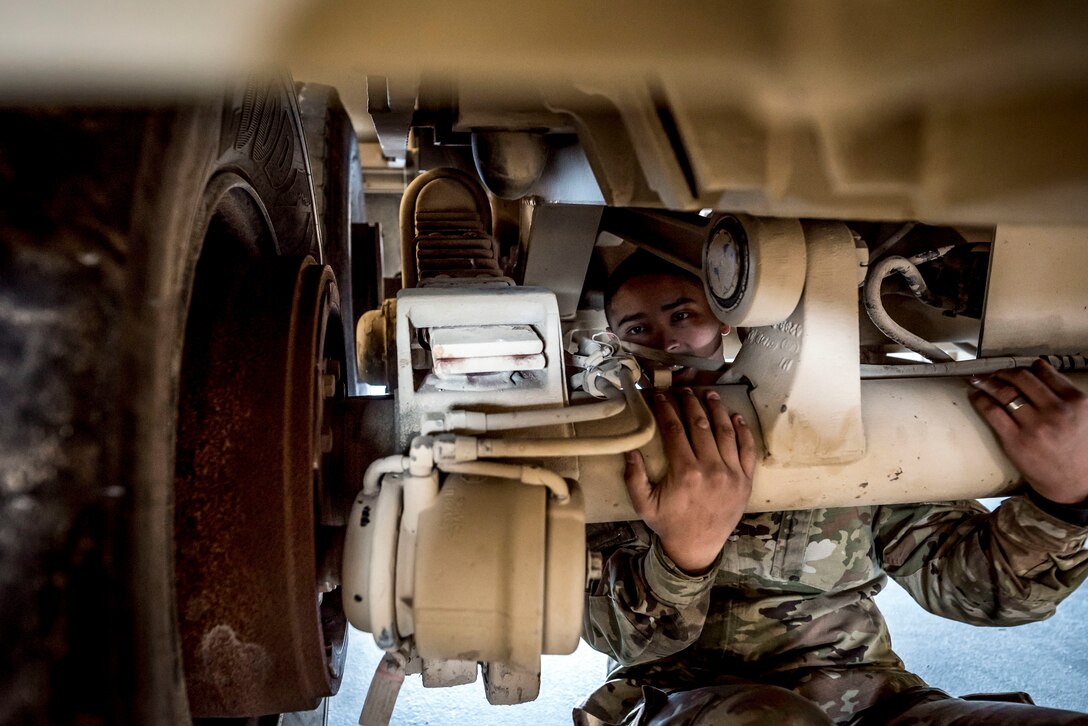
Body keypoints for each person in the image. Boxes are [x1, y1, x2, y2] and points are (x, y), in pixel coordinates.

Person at [576, 252, 1088, 725]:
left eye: (682, 315)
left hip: (871, 699)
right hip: (677, 694)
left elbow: (980, 592)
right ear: (619, 343)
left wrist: (1062, 502)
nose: (666, 342)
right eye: (639, 328)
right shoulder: (610, 444)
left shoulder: (826, 417)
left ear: (724, 317)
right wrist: (684, 555)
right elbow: (617, 637)